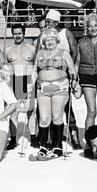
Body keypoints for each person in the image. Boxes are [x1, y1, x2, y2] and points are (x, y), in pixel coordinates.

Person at [31, 28, 80, 160]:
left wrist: (74, 81)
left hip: (60, 88)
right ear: (44, 42)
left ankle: (58, 146)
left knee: (57, 116)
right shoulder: (40, 53)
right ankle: (43, 146)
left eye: (52, 40)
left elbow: (71, 69)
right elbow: (35, 70)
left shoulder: (63, 53)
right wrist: (31, 83)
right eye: (47, 40)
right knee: (44, 118)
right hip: (43, 89)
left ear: (57, 40)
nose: (50, 42)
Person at [40, 9, 83, 150]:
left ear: (57, 22)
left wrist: (74, 75)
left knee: (68, 107)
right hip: (49, 77)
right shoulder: (45, 34)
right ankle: (53, 139)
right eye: (46, 21)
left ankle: (74, 137)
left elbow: (75, 52)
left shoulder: (66, 33)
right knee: (52, 110)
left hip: (65, 74)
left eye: (50, 22)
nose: (47, 24)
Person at [4, 23, 38, 149]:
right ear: (12, 34)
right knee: (14, 111)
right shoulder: (8, 50)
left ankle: (33, 137)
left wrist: (33, 83)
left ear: (24, 34)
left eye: (20, 33)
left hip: (29, 80)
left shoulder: (32, 48)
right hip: (14, 81)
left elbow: (36, 67)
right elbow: (5, 69)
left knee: (31, 111)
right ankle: (13, 139)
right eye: (15, 33)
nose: (17, 35)